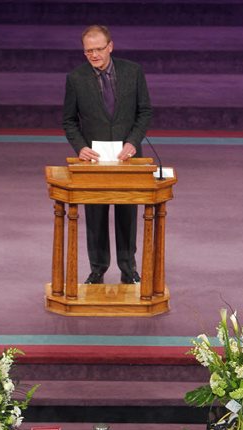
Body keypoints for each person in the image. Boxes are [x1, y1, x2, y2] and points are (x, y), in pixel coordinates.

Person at [63, 24, 153, 285]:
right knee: (95, 215)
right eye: (88, 51)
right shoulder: (76, 78)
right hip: (94, 160)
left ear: (110, 46)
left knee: (127, 215)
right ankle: (98, 269)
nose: (94, 55)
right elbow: (69, 120)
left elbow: (145, 111)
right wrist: (80, 147)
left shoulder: (133, 71)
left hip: (129, 157)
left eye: (99, 49)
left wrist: (134, 142)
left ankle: (128, 269)